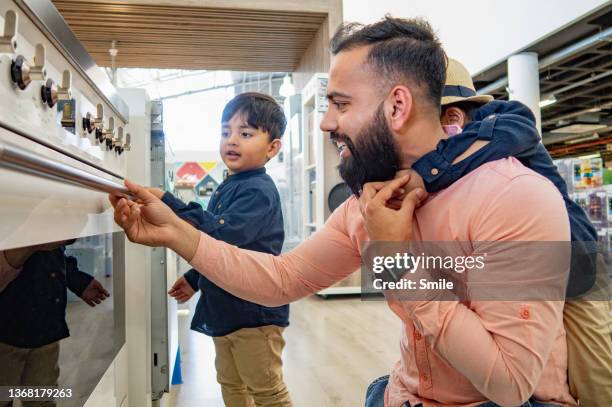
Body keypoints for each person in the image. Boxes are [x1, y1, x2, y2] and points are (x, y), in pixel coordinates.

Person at [110, 17, 575, 407]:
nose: (326, 121)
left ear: (397, 106)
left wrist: (396, 257)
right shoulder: (367, 203)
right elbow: (281, 280)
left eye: (340, 103)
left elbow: (510, 382)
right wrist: (176, 233)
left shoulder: (515, 197)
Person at [400, 57, 611, 407]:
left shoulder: (506, 122)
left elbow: (517, 130)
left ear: (452, 117)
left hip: (577, 267)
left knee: (595, 376)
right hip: (516, 273)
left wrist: (424, 173)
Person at [149, 92, 293, 407]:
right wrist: (194, 278)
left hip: (255, 314)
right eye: (226, 131)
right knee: (230, 382)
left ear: (272, 147)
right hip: (226, 310)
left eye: (245, 133)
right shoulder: (231, 186)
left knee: (266, 390)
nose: (232, 140)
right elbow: (218, 252)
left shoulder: (259, 191)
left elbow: (223, 235)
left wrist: (170, 204)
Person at [0, 241, 109, 407]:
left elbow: (55, 258)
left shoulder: (48, 230)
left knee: (42, 398)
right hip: (8, 336)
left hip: (46, 334)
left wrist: (79, 282)